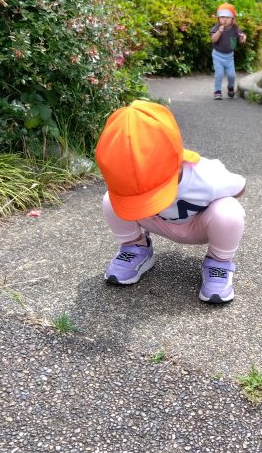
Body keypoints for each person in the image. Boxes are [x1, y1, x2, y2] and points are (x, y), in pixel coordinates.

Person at [95, 100, 246, 303]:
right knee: (111, 200)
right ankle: (135, 247)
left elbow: (239, 188)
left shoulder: (207, 175)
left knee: (229, 213)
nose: (149, 196)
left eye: (155, 189)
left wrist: (211, 202)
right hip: (156, 221)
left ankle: (218, 263)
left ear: (177, 160)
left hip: (197, 227)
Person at [210, 3, 246, 100]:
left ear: (232, 19)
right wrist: (219, 32)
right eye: (222, 17)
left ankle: (230, 87)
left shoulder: (234, 28)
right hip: (217, 55)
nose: (224, 20)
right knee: (219, 74)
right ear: (218, 18)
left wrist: (243, 37)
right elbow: (213, 40)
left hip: (229, 56)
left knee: (231, 75)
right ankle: (217, 91)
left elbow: (241, 35)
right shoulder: (216, 28)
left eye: (227, 17)